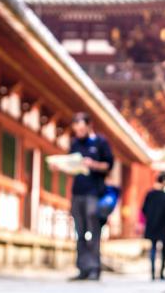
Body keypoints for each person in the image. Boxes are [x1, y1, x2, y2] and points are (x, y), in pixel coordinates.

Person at [68, 112, 113, 281]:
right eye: (76, 129)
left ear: (88, 126)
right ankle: (82, 268)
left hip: (94, 193)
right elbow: (72, 164)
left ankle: (94, 267)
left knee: (93, 231)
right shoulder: (74, 144)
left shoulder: (100, 143)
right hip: (77, 192)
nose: (79, 132)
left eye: (82, 128)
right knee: (79, 232)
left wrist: (93, 164)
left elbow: (109, 166)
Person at [142, 172, 165, 281]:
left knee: (153, 248)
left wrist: (150, 219)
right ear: (164, 181)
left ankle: (152, 272)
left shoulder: (149, 194)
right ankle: (161, 273)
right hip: (163, 226)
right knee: (163, 249)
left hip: (151, 225)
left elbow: (144, 209)